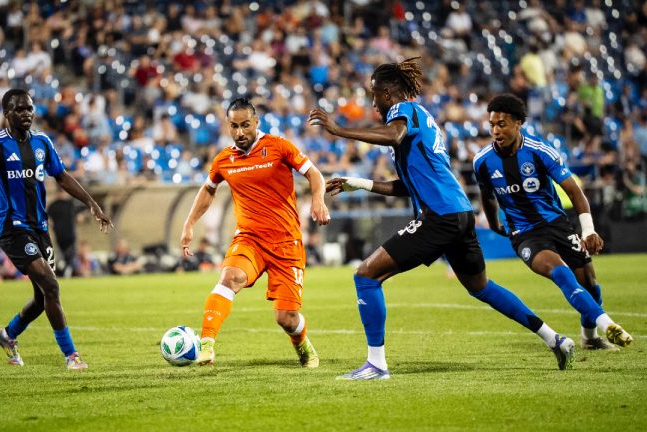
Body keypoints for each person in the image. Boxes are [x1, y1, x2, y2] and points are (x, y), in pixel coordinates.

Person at [308, 57, 576, 379]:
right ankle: (554, 338)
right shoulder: (425, 121)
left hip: (440, 216)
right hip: (458, 212)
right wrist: (361, 183)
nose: (373, 101)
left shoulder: (402, 112)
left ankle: (376, 365)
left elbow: (393, 135)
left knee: (366, 275)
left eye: (375, 93)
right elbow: (410, 185)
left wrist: (340, 130)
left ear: (389, 92)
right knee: (481, 287)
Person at [0, 89, 113, 370]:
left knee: (42, 297)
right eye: (19, 109)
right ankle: (71, 355)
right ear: (6, 114)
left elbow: (61, 176)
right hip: (12, 229)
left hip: (39, 227)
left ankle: (8, 335)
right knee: (52, 285)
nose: (26, 114)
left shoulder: (42, 142)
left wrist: (91, 203)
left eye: (29, 108)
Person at [472, 93, 632, 350]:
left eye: (502, 124)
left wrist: (588, 230)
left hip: (557, 224)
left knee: (590, 284)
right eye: (491, 125)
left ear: (518, 123)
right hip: (525, 233)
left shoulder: (539, 151)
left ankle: (590, 338)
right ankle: (608, 325)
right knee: (561, 273)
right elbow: (487, 196)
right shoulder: (482, 161)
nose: (495, 130)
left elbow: (574, 191)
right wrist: (493, 224)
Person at [181, 97, 330, 368]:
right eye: (234, 126)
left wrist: (318, 200)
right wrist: (189, 223)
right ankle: (206, 344)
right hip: (249, 239)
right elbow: (208, 189)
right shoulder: (224, 159)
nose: (240, 132)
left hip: (286, 243)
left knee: (286, 318)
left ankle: (302, 344)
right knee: (229, 277)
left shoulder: (279, 146)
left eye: (245, 125)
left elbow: (314, 174)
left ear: (256, 122)